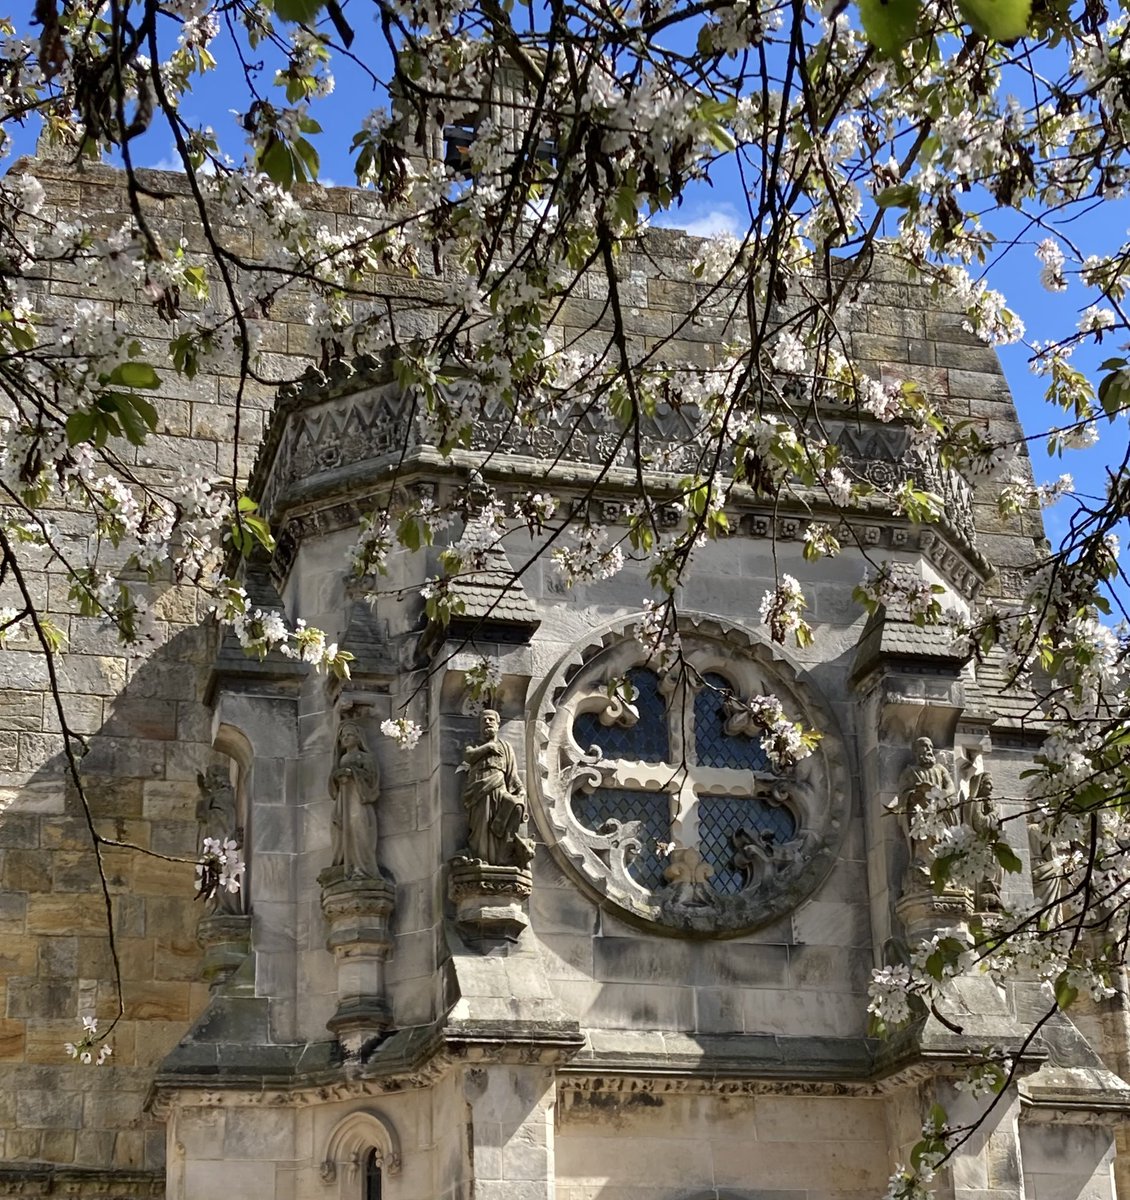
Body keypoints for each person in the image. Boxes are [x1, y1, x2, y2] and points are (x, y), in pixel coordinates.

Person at [457, 709, 535, 868]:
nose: (487, 722)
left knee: (517, 806)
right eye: (484, 720)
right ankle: (481, 858)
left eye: (491, 720)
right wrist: (488, 747)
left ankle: (504, 854)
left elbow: (512, 774)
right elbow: (469, 756)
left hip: (500, 788)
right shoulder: (474, 743)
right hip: (479, 791)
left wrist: (521, 789)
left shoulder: (506, 747)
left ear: (498, 724)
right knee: (481, 824)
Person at [899, 736, 958, 878]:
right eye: (924, 746)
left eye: (930, 747)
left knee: (942, 838)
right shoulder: (910, 772)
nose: (928, 750)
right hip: (921, 813)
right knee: (923, 839)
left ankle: (943, 867)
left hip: (939, 810)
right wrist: (914, 795)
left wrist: (941, 793)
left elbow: (951, 788)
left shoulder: (940, 769)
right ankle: (922, 864)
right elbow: (903, 794)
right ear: (916, 750)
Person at [330, 721, 381, 878]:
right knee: (340, 827)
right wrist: (337, 777)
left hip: (358, 798)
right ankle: (347, 865)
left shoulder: (366, 757)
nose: (345, 738)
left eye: (349, 734)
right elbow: (332, 783)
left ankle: (362, 868)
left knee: (359, 828)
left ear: (358, 738)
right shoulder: (341, 758)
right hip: (343, 800)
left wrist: (352, 773)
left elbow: (373, 779)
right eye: (343, 736)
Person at [196, 765, 244, 915]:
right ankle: (218, 906)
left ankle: (225, 907)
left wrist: (232, 842)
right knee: (213, 873)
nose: (208, 782)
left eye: (210, 778)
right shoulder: (218, 796)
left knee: (221, 872)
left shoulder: (224, 796)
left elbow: (224, 819)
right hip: (214, 840)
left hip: (221, 840)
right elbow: (206, 812)